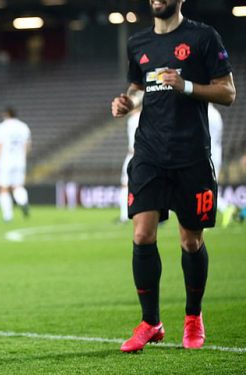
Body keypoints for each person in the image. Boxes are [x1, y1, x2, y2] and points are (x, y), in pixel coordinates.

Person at [110, 0, 236, 352]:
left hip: (191, 155)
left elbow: (228, 92)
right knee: (142, 233)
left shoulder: (203, 37)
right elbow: (138, 88)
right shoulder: (138, 43)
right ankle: (150, 322)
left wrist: (187, 86)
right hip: (149, 152)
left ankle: (193, 317)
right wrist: (127, 103)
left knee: (190, 241)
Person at [0, 106, 31, 222]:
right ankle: (23, 201)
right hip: (20, 161)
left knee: (3, 188)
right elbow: (27, 146)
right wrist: (23, 158)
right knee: (18, 186)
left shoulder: (1, 127)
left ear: (6, 114)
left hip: (5, 161)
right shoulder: (24, 127)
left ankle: (8, 215)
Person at [119, 107, 141, 224]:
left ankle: (124, 216)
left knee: (125, 185)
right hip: (142, 154)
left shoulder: (133, 119)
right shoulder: (143, 117)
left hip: (134, 155)